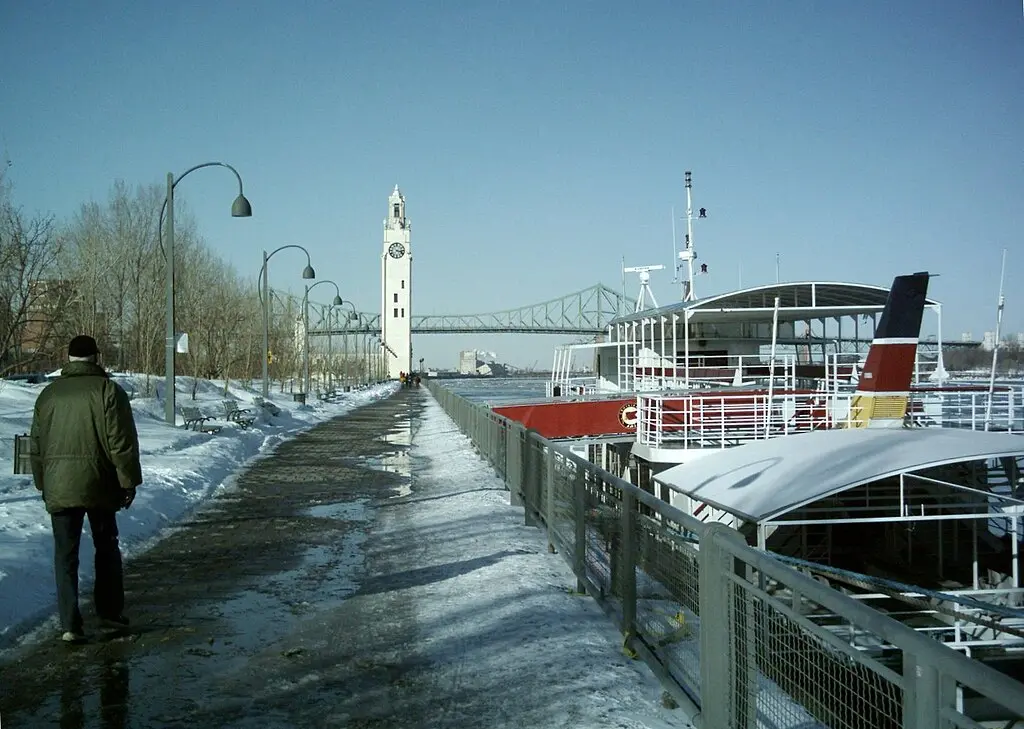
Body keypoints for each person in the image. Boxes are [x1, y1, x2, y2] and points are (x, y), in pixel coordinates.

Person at [30, 335, 142, 643]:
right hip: (100, 485)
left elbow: (36, 446)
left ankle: (69, 624)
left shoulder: (48, 395)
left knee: (65, 555)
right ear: (96, 357)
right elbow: (121, 443)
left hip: (59, 487)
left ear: (68, 359)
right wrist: (128, 481)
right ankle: (108, 615)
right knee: (106, 548)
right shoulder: (108, 391)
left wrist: (44, 483)